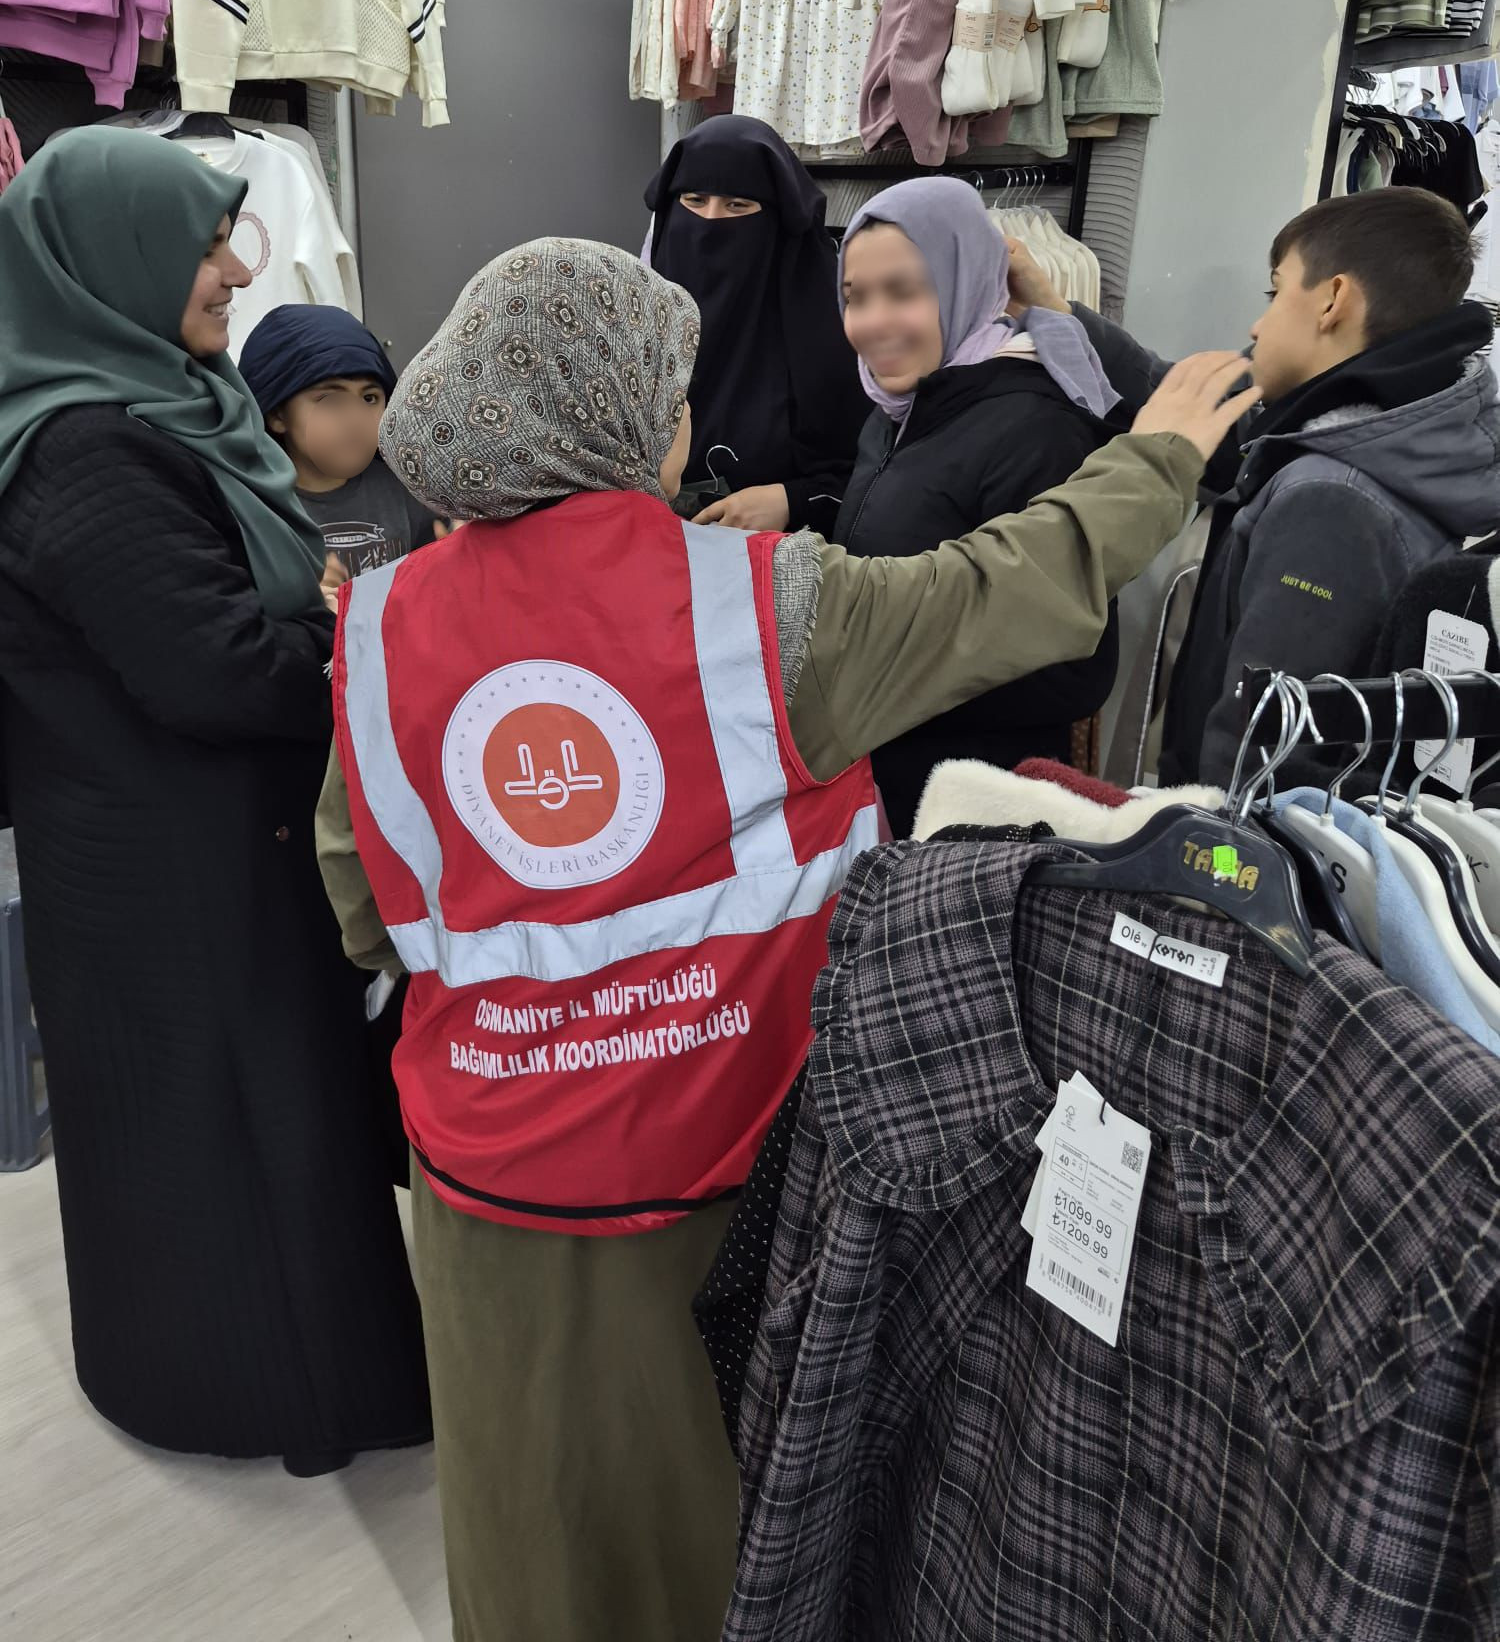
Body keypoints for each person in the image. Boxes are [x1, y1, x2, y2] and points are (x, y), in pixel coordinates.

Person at [314, 234, 1257, 1640]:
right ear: (637, 417)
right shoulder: (770, 610)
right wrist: (1160, 452)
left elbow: (360, 897)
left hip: (480, 1189)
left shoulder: (382, 619)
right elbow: (1013, 582)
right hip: (729, 1185)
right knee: (732, 1535)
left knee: (528, 1537)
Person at [0, 129, 430, 1473]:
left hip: (198, 853)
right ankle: (266, 1400)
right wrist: (356, 631)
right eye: (203, 246)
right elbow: (223, 674)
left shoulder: (154, 406)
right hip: (171, 884)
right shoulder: (85, 453)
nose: (238, 268)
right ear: (110, 261)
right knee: (230, 1139)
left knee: (257, 1130)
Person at [1009, 186, 1500, 787]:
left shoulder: (1332, 499)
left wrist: (1198, 865)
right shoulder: (1383, 431)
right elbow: (1203, 411)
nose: (1258, 322)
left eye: (1275, 291)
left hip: (1227, 855)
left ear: (1332, 301)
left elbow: (1260, 752)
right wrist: (1055, 310)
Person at [834, 178, 1125, 837]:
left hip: (975, 806)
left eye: (905, 292)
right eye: (856, 298)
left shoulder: (1034, 427)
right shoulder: (898, 411)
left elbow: (1073, 666)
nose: (874, 321)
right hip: (887, 774)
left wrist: (881, 666)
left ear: (964, 280)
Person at [644, 112, 868, 533]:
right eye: (693, 201)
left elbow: (877, 483)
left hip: (785, 574)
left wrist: (792, 500)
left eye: (738, 205)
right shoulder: (631, 332)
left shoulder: (834, 339)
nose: (709, 222)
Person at [240, 301, 442, 577]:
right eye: (330, 399)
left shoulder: (407, 494)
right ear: (277, 414)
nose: (355, 418)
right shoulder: (251, 506)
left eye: (369, 398)